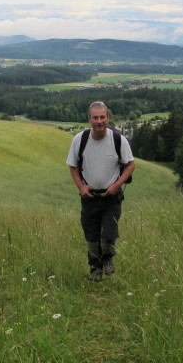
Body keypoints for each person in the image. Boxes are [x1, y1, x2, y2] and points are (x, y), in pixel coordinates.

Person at [66, 101, 135, 282]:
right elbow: (72, 167)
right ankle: (95, 271)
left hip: (111, 197)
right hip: (89, 197)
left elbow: (130, 165)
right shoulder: (79, 139)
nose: (99, 121)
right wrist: (81, 187)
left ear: (107, 118)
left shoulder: (118, 139)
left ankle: (108, 258)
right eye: (95, 118)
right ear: (89, 119)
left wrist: (117, 185)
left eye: (102, 117)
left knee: (108, 237)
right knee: (91, 237)